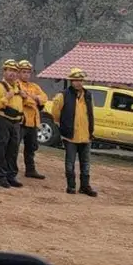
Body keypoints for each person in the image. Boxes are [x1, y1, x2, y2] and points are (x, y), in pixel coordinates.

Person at [50, 68, 98, 197]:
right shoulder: (63, 95)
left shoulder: (88, 96)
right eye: (75, 80)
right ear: (71, 81)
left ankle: (85, 186)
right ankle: (71, 186)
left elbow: (91, 114)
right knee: (70, 162)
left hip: (86, 135)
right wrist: (64, 126)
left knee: (86, 163)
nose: (78, 83)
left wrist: (90, 131)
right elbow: (55, 113)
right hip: (70, 135)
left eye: (80, 80)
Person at [0, 61, 26, 188]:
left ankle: (11, 176)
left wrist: (24, 97)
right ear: (4, 72)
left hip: (16, 122)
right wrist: (6, 98)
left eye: (15, 71)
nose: (12, 73)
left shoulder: (18, 87)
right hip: (3, 120)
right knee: (2, 149)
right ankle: (1, 176)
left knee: (13, 150)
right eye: (9, 70)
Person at [13, 60, 48, 181]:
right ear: (18, 73)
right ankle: (11, 170)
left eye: (28, 72)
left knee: (31, 147)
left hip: (33, 122)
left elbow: (44, 99)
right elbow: (24, 101)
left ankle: (30, 170)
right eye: (24, 72)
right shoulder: (16, 84)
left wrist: (32, 97)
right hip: (21, 121)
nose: (26, 74)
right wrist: (35, 100)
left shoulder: (35, 86)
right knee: (14, 147)